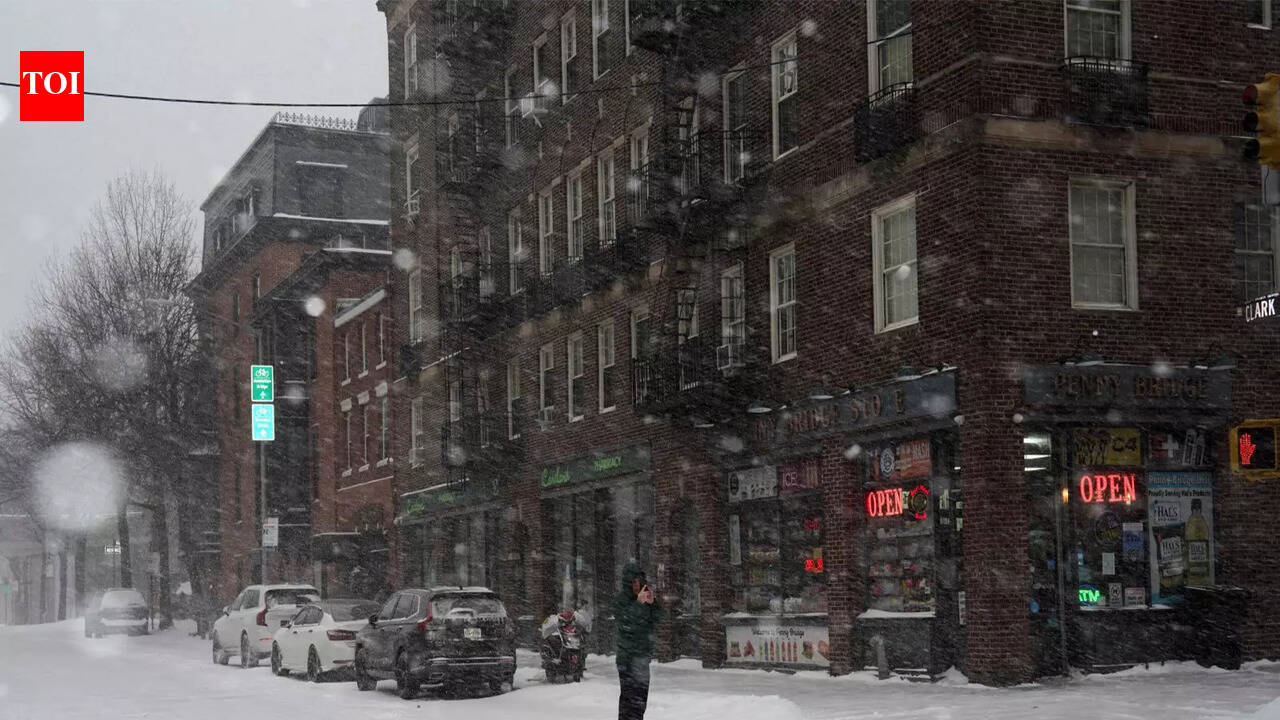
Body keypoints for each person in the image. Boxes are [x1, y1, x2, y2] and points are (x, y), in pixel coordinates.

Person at [615, 563, 660, 720]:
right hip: (627, 659)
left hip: (642, 658)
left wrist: (653, 604)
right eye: (634, 581)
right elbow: (626, 623)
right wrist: (639, 604)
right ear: (628, 582)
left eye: (639, 581)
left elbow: (657, 620)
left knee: (640, 700)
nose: (637, 585)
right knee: (629, 701)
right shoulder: (622, 600)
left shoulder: (643, 599)